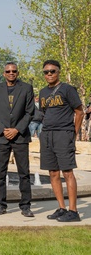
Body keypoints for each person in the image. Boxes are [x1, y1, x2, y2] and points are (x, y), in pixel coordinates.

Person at [0, 62, 35, 217]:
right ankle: (1, 205)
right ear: (4, 73)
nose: (11, 73)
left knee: (24, 173)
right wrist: (2, 130)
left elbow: (29, 112)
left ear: (18, 73)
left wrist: (17, 129)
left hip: (20, 137)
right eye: (8, 71)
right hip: (2, 137)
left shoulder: (26, 88)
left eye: (14, 71)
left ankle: (25, 205)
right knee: (0, 173)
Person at [39, 60, 84, 222]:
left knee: (67, 172)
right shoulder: (43, 92)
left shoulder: (67, 89)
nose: (49, 74)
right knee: (52, 172)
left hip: (63, 134)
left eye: (52, 71)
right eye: (46, 72)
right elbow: (43, 114)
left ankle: (73, 211)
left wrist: (73, 133)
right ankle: (61, 207)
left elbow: (79, 112)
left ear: (58, 72)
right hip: (47, 134)